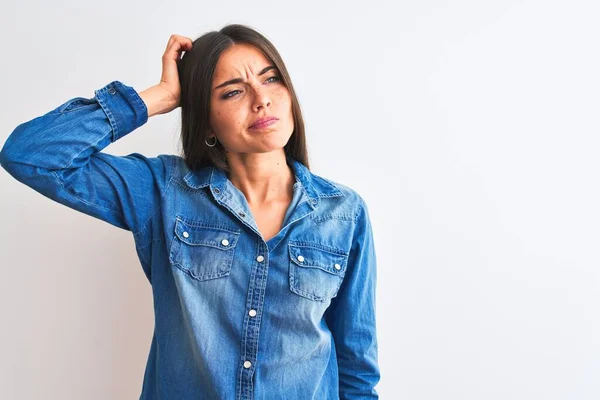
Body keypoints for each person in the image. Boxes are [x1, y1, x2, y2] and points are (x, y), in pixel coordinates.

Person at [0, 24, 380, 399]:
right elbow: (31, 155)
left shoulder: (343, 214)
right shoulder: (164, 192)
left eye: (271, 80)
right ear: (207, 122)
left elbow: (356, 372)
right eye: (233, 92)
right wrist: (159, 96)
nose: (261, 100)